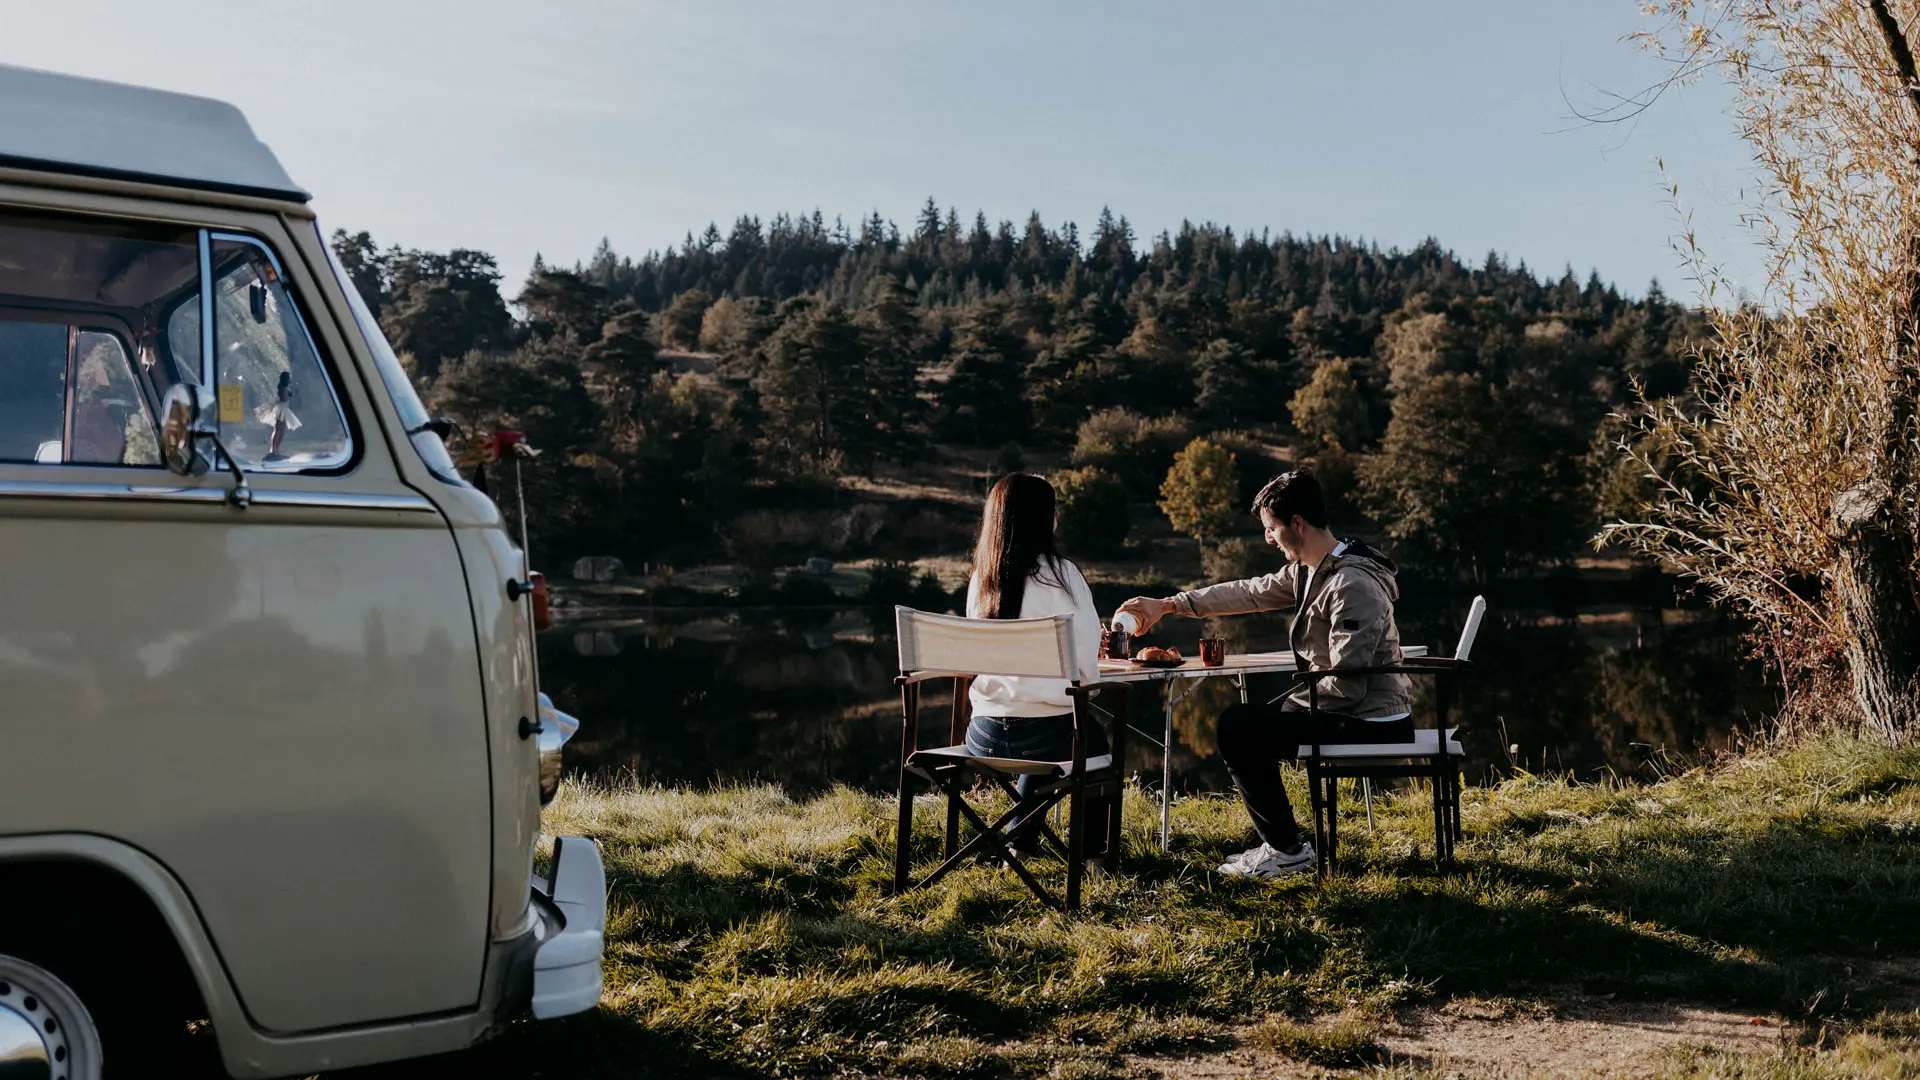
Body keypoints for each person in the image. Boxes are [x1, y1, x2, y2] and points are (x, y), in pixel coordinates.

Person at [1117, 469, 1411, 878]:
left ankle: (1286, 851)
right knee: (1243, 724)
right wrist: (1170, 604)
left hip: (1372, 720)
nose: (1268, 539)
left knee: (1240, 727)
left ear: (1298, 524)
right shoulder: (1312, 571)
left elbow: (1347, 683)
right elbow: (1249, 592)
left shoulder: (1351, 583)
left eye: (1272, 528)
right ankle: (1283, 845)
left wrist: (1290, 706)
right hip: (1346, 711)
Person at [964, 472, 1113, 870]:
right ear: (1044, 518)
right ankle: (1094, 859)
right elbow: (1085, 672)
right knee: (1090, 742)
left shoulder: (983, 578)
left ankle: (1020, 848)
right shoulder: (1062, 575)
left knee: (1049, 735)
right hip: (1047, 736)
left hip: (984, 736)